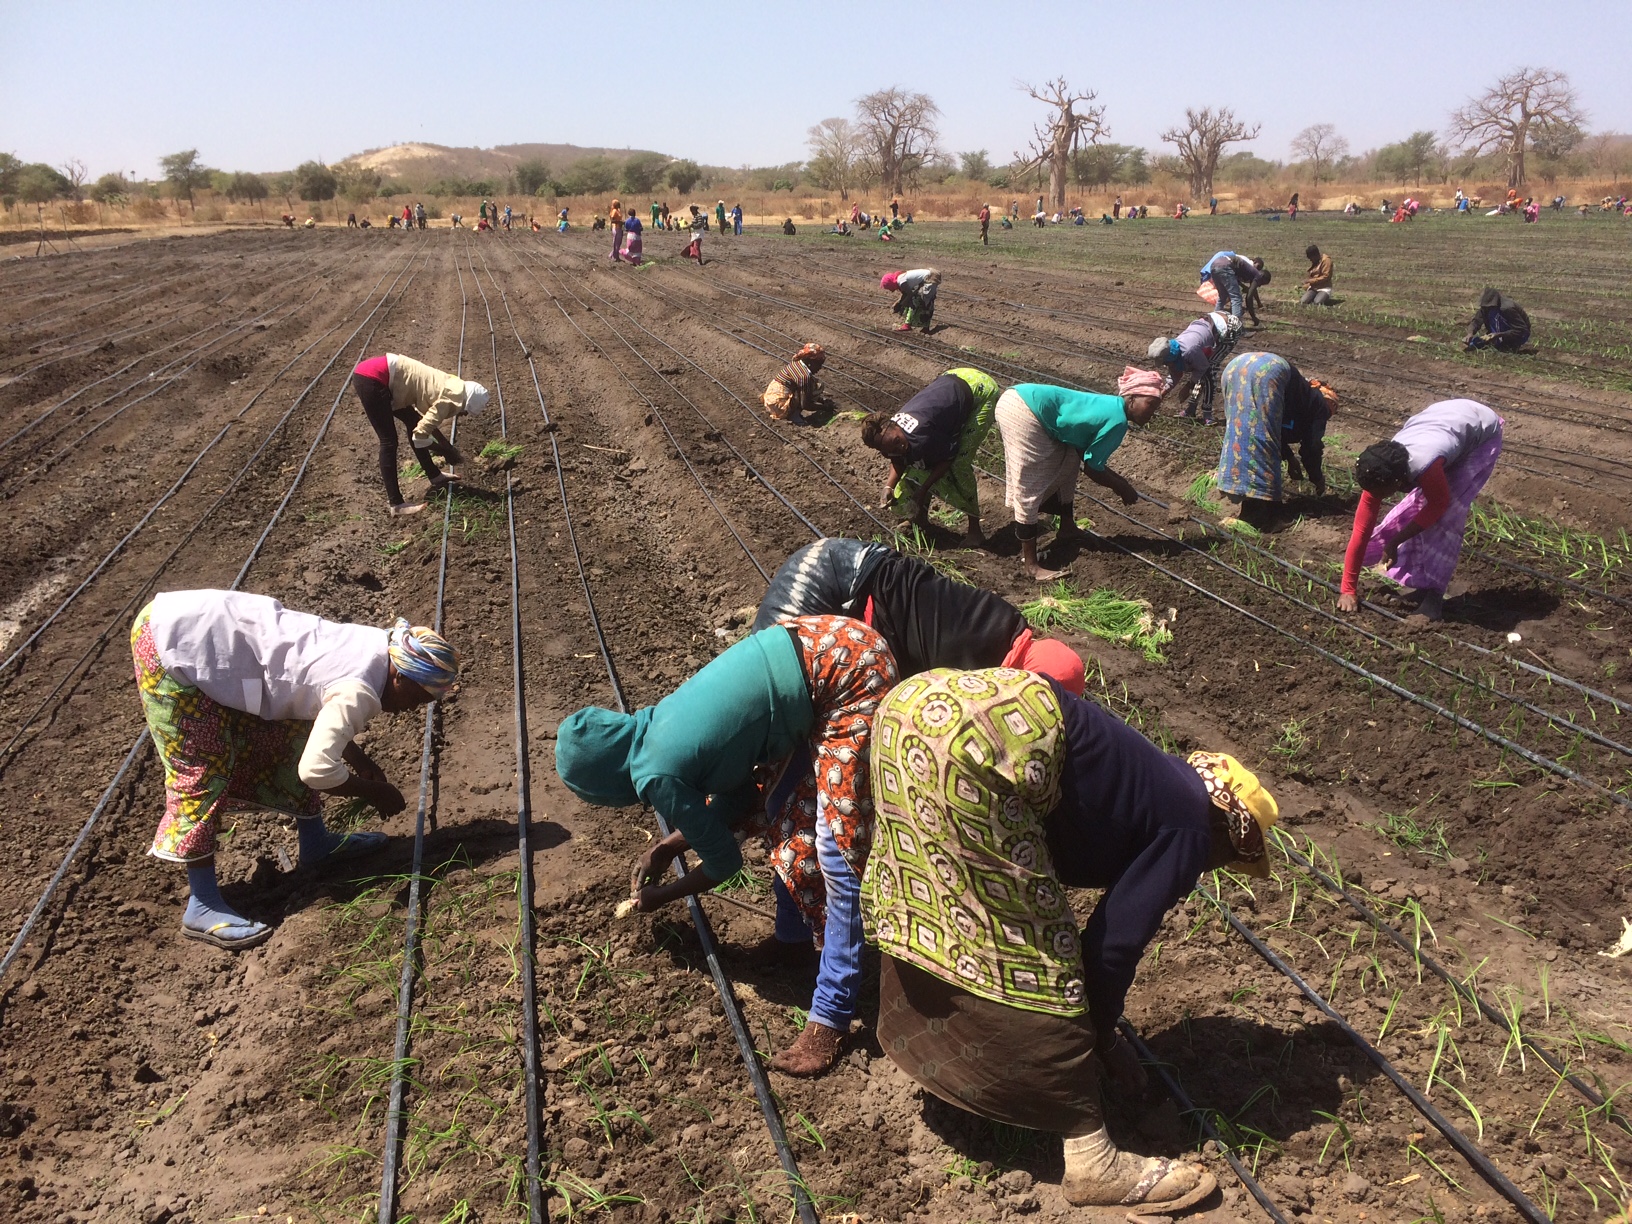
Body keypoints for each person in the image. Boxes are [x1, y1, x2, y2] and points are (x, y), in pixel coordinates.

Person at [863, 665, 1277, 1210]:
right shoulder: (1191, 829)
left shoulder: (1159, 779)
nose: (1214, 868)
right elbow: (1112, 943)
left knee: (928, 895)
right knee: (1038, 950)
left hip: (913, 713)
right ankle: (1091, 1159)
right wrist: (1096, 1032)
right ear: (1229, 831)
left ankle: (932, 1052)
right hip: (976, 748)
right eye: (1229, 860)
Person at [557, 615, 897, 1076]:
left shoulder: (656, 774)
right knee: (781, 813)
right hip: (824, 646)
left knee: (836, 851)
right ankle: (793, 940)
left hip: (846, 676)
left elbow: (724, 862)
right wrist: (671, 846)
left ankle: (832, 1016)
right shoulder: (656, 727)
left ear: (603, 785)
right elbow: (743, 796)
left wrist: (663, 895)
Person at [133, 590, 459, 950]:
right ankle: (203, 904)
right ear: (399, 677)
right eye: (417, 699)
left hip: (212, 629)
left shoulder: (380, 646)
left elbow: (319, 702)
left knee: (289, 734)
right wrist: (373, 792)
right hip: (171, 641)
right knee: (200, 768)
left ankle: (316, 844)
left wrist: (360, 760)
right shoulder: (362, 689)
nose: (413, 709)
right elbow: (316, 770)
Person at [752, 538, 1086, 689]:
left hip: (860, 561)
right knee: (780, 687)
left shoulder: (1008, 625)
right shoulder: (972, 658)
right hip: (835, 580)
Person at [1338, 400, 1504, 622]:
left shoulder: (1424, 464)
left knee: (1446, 517)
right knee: (1419, 513)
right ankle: (1423, 586)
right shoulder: (1379, 471)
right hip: (1446, 423)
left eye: (1381, 492)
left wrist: (1395, 541)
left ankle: (1434, 597)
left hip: (1481, 433)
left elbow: (1438, 505)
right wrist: (1348, 589)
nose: (1376, 496)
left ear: (1398, 481)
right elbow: (1361, 530)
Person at [995, 369, 1164, 580]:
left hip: (1020, 398)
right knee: (1030, 481)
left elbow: (1086, 456)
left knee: (1070, 460)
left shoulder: (1113, 408)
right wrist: (1122, 487)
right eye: (1150, 405)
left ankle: (1067, 527)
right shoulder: (1118, 421)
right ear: (1131, 400)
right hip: (1023, 410)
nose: (1152, 413)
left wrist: (1122, 482)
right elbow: (1093, 469)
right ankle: (1032, 566)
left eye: (1156, 408)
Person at [859, 368, 1000, 543]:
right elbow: (898, 459)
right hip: (954, 377)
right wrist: (889, 486)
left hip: (980, 389)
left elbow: (947, 459)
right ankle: (918, 519)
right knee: (919, 466)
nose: (900, 447)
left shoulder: (921, 437)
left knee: (960, 464)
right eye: (892, 449)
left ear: (895, 427)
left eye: (897, 441)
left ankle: (975, 531)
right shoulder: (890, 435)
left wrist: (924, 488)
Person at [350, 353, 489, 516]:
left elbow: (424, 422)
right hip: (374, 378)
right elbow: (419, 436)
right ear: (464, 403)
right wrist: (444, 451)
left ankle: (434, 475)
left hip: (384, 374)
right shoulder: (448, 401)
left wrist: (445, 445)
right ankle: (396, 504)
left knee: (413, 422)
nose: (463, 415)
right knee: (389, 442)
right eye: (466, 411)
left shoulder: (453, 387)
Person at [1214, 353, 1336, 527]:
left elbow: (1274, 428)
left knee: (1241, 430)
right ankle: (1270, 516)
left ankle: (1249, 508)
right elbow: (1312, 447)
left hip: (1235, 367)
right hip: (1268, 372)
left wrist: (1290, 457)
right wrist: (1317, 477)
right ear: (1329, 400)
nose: (1329, 414)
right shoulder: (1319, 405)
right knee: (1261, 441)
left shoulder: (1298, 397)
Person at [1147, 311, 1241, 425]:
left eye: (1164, 362)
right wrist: (1161, 395)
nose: (1165, 365)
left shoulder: (1189, 351)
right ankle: (1191, 409)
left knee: (1209, 372)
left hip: (1229, 328)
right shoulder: (1174, 351)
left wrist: (1188, 386)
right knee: (1200, 374)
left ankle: (1207, 415)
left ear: (1169, 357)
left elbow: (1203, 367)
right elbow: (1175, 374)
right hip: (1209, 325)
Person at [760, 343, 826, 422]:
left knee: (811, 384)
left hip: (770, 399)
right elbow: (805, 404)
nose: (820, 368)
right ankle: (794, 415)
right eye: (818, 364)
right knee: (816, 387)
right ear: (810, 361)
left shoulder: (796, 364)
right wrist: (824, 407)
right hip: (778, 407)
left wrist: (821, 400)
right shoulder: (804, 376)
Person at [1199, 251, 1266, 324]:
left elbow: (1236, 279)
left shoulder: (1250, 270)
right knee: (1236, 298)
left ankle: (1214, 322)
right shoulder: (1255, 271)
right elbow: (1249, 296)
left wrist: (1258, 302)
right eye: (1261, 283)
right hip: (1225, 266)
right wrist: (1254, 317)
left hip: (1215, 265)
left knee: (1223, 296)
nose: (1259, 285)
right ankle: (1236, 328)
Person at [1464, 288, 1531, 352]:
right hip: (1499, 333)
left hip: (1519, 334)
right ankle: (1499, 341)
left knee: (1504, 348)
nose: (1485, 309)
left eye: (1488, 307)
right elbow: (1476, 321)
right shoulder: (1485, 308)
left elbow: (1521, 330)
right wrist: (1470, 333)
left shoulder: (1507, 308)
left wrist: (1499, 335)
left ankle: (1509, 343)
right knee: (1478, 343)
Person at [880, 268, 940, 333]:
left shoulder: (901, 281)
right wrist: (898, 303)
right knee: (925, 304)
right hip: (930, 276)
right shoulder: (900, 279)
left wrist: (901, 305)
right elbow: (905, 294)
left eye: (889, 288)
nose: (891, 291)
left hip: (930, 277)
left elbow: (910, 295)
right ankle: (925, 327)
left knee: (917, 301)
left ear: (890, 283)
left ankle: (907, 325)